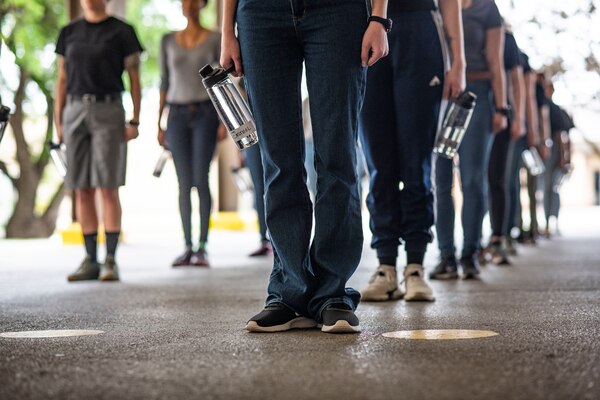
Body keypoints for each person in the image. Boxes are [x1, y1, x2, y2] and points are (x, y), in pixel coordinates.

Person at [221, 0, 389, 333]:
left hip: (337, 11)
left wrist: (380, 18)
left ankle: (332, 292)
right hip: (260, 12)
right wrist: (227, 30)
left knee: (336, 157)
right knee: (278, 161)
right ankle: (288, 292)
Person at [358, 0, 465, 301]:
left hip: (420, 31)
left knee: (417, 163)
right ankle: (386, 267)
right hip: (364, 29)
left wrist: (459, 62)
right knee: (378, 163)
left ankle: (415, 267)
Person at [55, 0, 143, 282]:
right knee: (81, 187)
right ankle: (90, 259)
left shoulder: (122, 31)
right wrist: (59, 121)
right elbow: (61, 78)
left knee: (108, 185)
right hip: (75, 110)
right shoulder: (68, 32)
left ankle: (111, 259)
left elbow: (134, 77)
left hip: (109, 109)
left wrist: (135, 119)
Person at [431, 0, 507, 280]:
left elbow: (496, 62)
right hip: (439, 92)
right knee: (441, 179)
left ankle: (470, 254)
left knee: (473, 179)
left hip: (476, 95)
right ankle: (446, 256)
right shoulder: (437, 4)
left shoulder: (487, 8)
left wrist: (501, 107)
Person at [157, 0, 222, 267]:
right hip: (176, 116)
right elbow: (164, 80)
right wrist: (158, 122)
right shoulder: (167, 40)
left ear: (203, 4)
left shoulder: (215, 38)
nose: (188, 4)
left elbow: (221, 81)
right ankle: (187, 245)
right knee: (184, 182)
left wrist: (223, 121)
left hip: (206, 113)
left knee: (201, 178)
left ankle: (202, 247)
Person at [483, 25, 525, 265]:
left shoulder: (506, 37)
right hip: (470, 106)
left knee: (498, 178)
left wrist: (518, 118)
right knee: (475, 180)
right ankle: (475, 241)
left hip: (501, 112)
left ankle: (499, 237)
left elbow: (517, 81)